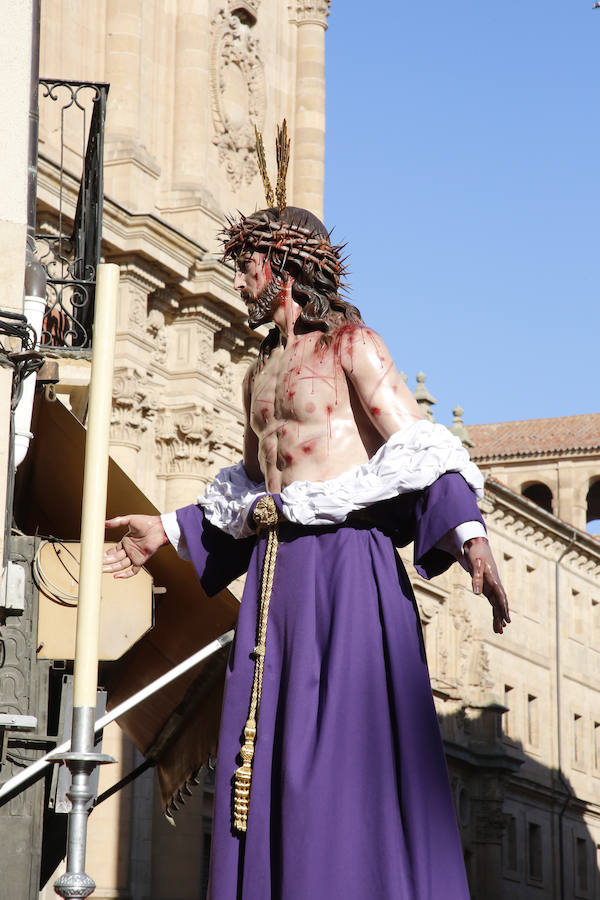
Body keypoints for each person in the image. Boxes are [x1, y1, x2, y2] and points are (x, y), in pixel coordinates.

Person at [104, 129, 509, 900]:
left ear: (284, 268)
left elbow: (422, 449)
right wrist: (168, 528)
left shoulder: (353, 346)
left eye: (247, 264)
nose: (237, 278)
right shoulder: (258, 372)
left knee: (341, 756)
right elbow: (248, 488)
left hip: (348, 573)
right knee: (269, 757)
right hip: (275, 582)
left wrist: (471, 540)